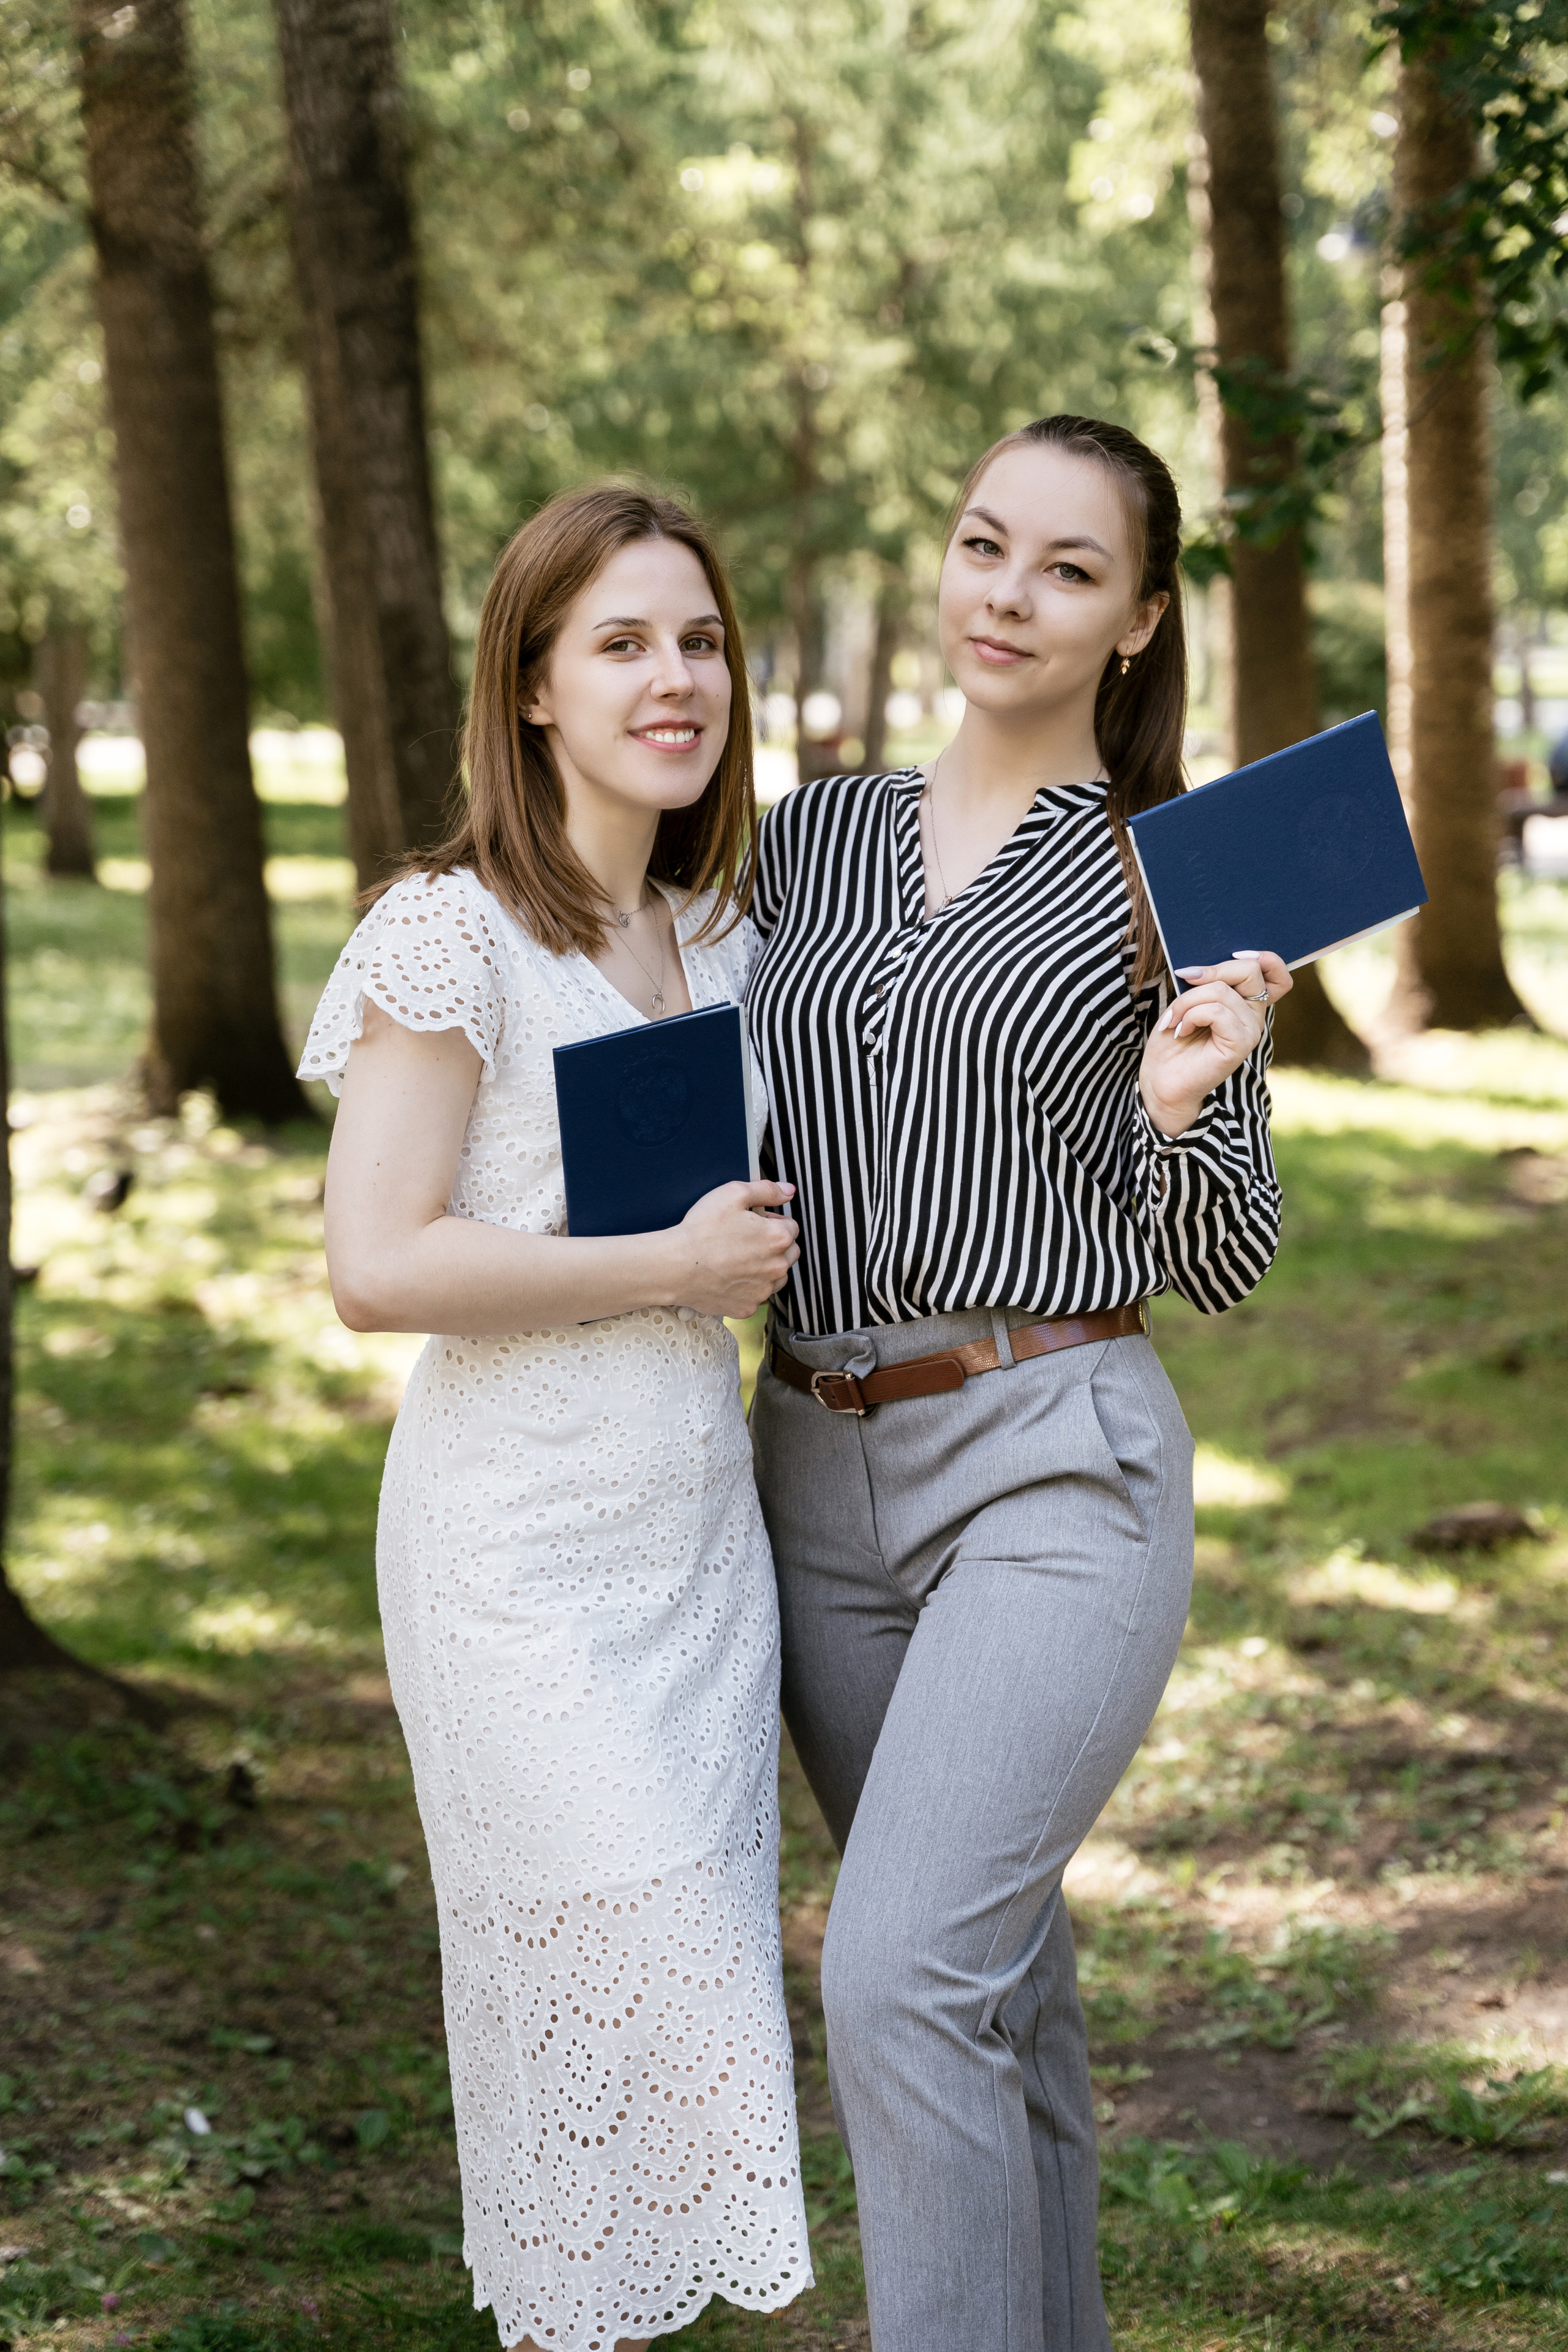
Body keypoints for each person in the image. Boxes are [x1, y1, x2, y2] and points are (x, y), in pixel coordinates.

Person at [747, 413, 1289, 2352]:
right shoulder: (802, 838)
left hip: (1054, 1463)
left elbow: (1227, 1256)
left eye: (1070, 569)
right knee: (993, 1990)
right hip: (809, 1472)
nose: (1011, 595)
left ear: (1139, 618)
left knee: (901, 1979)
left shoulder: (1173, 876)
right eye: (987, 544)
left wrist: (1185, 1100)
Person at [300, 484, 812, 2352]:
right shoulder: (453, 935)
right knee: (620, 2025)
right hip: (516, 1567)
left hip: (697, 1562)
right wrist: (668, 1267)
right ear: (531, 688)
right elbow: (375, 1263)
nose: (676, 680)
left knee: (673, 2060)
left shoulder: (726, 937)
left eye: (701, 642)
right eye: (621, 645)